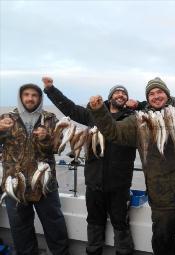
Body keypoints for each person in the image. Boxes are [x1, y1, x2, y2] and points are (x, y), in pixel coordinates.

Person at [87, 77, 175, 255]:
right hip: (161, 197)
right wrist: (99, 110)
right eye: (151, 94)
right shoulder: (139, 120)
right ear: (147, 98)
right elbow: (113, 132)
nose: (156, 96)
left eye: (159, 92)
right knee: (162, 243)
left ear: (167, 93)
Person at [42, 77, 135, 255]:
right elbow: (69, 108)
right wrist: (51, 89)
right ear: (110, 97)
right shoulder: (93, 114)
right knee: (94, 222)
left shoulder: (132, 119)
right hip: (94, 182)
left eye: (124, 93)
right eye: (117, 92)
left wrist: (138, 104)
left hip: (120, 185)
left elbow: (152, 112)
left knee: (121, 223)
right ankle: (93, 251)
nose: (121, 95)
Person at [0, 83, 70, 255]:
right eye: (26, 95)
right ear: (20, 97)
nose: (30, 98)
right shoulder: (7, 118)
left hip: (44, 184)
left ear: (40, 98)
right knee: (20, 230)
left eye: (34, 95)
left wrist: (47, 138)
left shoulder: (50, 118)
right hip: (15, 184)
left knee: (55, 225)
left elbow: (58, 148)